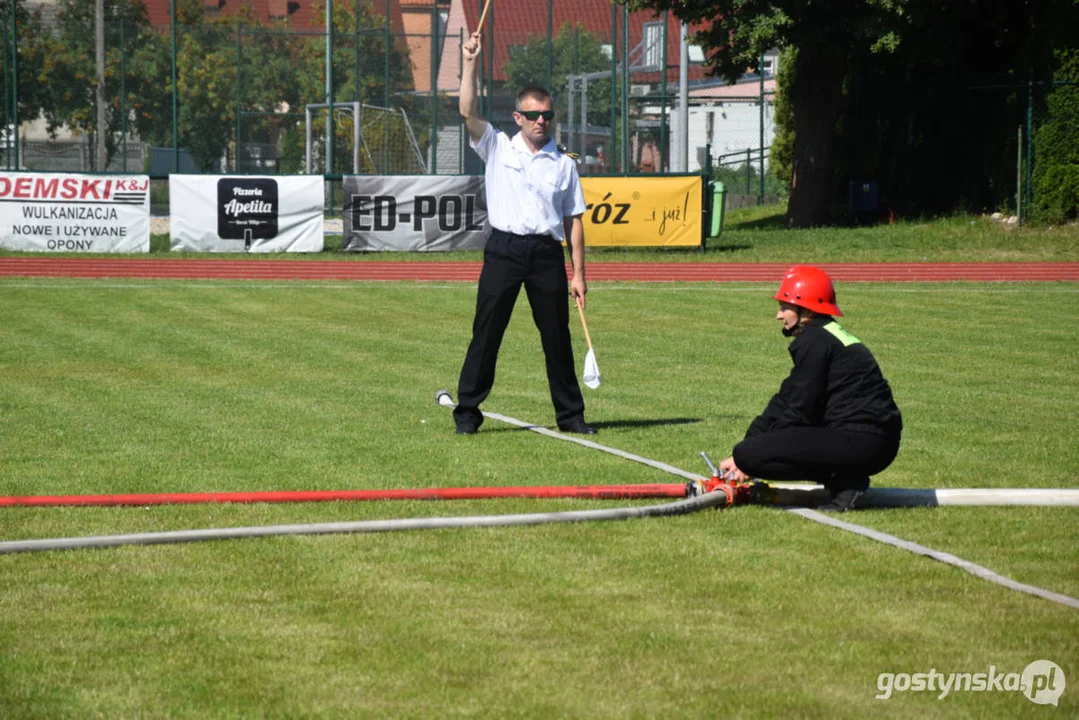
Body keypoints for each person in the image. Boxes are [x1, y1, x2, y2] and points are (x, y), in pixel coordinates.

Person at [452, 31, 594, 436]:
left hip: (546, 254)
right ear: (518, 118)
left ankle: (571, 416)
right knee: (487, 332)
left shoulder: (563, 163)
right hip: (504, 250)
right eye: (533, 115)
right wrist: (470, 63)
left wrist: (579, 273)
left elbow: (574, 221)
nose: (540, 122)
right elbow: (466, 111)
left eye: (546, 115)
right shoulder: (497, 145)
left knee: (557, 338)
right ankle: (467, 412)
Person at [718, 265, 902, 511]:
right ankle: (845, 481)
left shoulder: (815, 341)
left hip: (862, 441)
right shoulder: (825, 336)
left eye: (785, 307)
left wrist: (750, 457)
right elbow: (785, 399)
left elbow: (799, 410)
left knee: (750, 454)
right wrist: (749, 446)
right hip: (873, 440)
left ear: (806, 308)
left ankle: (847, 482)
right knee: (748, 452)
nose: (779, 315)